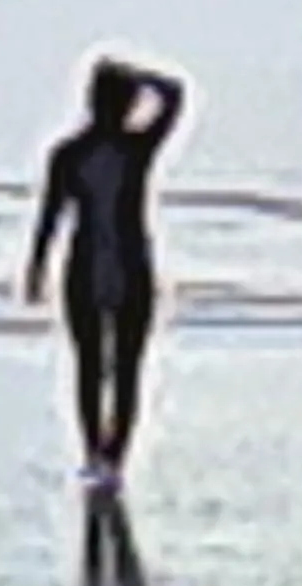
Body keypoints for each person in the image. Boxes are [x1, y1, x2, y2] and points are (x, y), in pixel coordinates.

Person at [23, 55, 188, 489]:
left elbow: (176, 97)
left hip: (133, 269)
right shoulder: (67, 155)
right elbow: (51, 214)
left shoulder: (138, 148)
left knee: (129, 367)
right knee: (90, 367)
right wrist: (36, 267)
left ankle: (116, 457)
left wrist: (147, 77)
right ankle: (94, 451)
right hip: (85, 270)